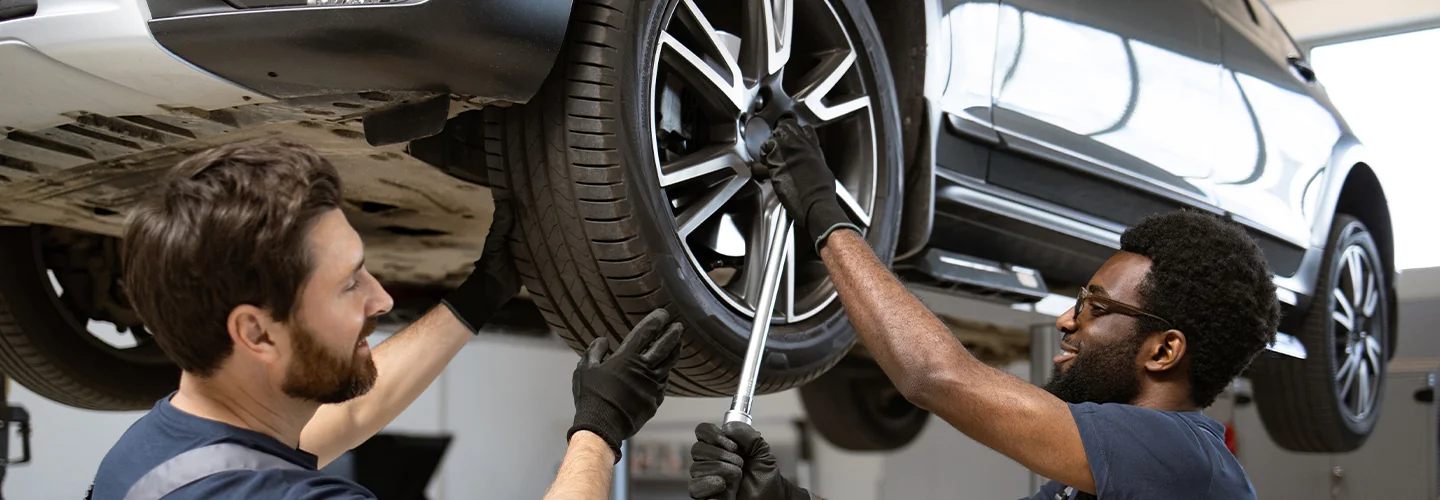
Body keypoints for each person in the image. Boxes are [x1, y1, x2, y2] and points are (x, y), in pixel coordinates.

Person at [688, 121, 1280, 500]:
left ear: (1164, 350)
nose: (1065, 322)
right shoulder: (1084, 486)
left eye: (1094, 308)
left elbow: (937, 376)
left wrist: (824, 216)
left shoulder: (1187, 464)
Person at [90, 139, 681, 499]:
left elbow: (346, 419)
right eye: (349, 284)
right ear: (256, 332)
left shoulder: (163, 449)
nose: (380, 299)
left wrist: (480, 295)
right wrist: (598, 433)